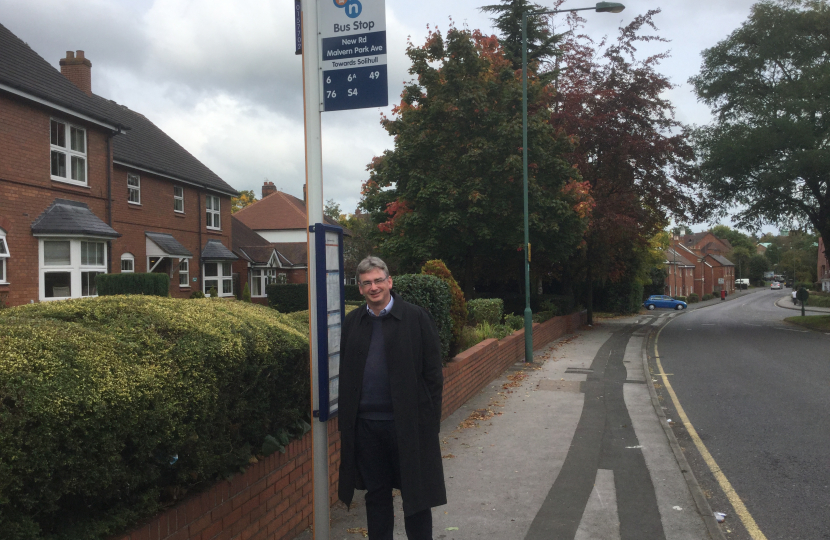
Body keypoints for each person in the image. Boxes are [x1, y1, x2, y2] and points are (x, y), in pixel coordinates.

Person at [338, 256, 446, 540]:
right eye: (366, 283)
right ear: (359, 289)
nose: (373, 287)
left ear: (389, 281)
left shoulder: (416, 317)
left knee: (416, 496)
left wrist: (429, 422)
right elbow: (347, 372)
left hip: (407, 425)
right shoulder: (353, 322)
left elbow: (433, 375)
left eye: (378, 281)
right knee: (376, 496)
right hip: (367, 428)